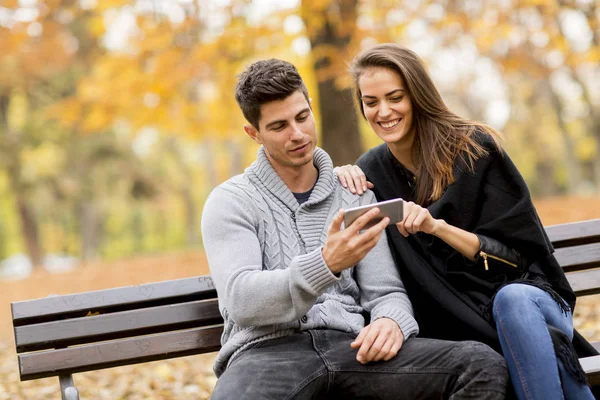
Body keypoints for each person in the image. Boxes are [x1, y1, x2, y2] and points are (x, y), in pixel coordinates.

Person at [201, 58, 509, 399]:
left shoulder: (354, 193)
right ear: (254, 133)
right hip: (265, 355)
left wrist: (391, 321)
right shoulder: (230, 202)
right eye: (279, 126)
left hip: (352, 349)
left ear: (311, 108)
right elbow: (242, 300)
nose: (298, 134)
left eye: (302, 117)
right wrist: (326, 264)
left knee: (479, 365)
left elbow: (386, 292)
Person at [334, 43, 598, 400]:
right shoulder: (371, 172)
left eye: (395, 97)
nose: (383, 111)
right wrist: (338, 174)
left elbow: (519, 258)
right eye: (371, 102)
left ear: (417, 94)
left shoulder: (473, 148)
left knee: (513, 300)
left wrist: (436, 227)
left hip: (530, 303)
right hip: (453, 320)